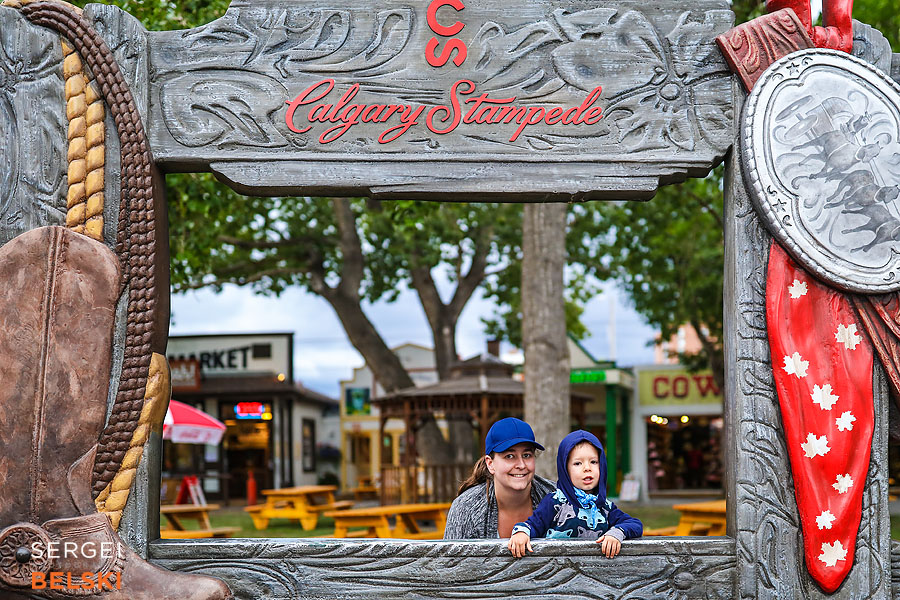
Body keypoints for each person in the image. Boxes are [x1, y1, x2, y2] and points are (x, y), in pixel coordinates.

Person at [507, 430, 642, 558]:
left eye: (593, 462)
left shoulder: (604, 507)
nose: (587, 468)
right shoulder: (555, 502)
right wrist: (521, 532)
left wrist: (616, 533)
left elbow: (635, 524)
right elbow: (533, 525)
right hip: (556, 571)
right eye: (577, 463)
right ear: (565, 470)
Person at [443, 417, 555, 538]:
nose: (521, 465)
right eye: (510, 456)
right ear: (490, 464)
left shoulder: (558, 497)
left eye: (527, 455)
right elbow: (451, 557)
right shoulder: (466, 509)